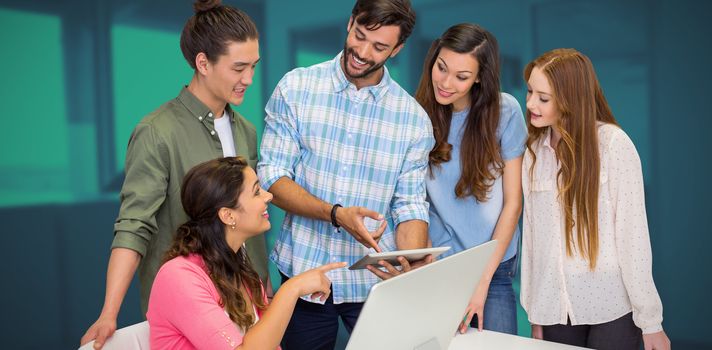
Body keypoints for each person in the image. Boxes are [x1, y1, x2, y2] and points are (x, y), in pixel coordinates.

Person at [80, 1, 270, 348]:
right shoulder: (157, 131)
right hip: (190, 308)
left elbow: (245, 217)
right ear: (202, 63)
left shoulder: (246, 131)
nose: (249, 79)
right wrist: (109, 312)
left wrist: (261, 289)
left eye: (254, 67)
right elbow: (134, 225)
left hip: (244, 300)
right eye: (239, 68)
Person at [257, 0, 434, 348]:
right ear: (351, 22)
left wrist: (410, 267)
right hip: (306, 273)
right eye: (359, 35)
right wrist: (336, 214)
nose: (363, 52)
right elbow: (272, 178)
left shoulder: (413, 120)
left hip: (375, 284)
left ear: (397, 49)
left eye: (379, 46)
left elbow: (410, 204)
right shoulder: (296, 88)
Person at [520, 48, 671, 350]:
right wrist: (535, 311)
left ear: (570, 99)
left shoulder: (614, 145)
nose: (530, 103)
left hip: (611, 305)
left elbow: (633, 237)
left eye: (543, 98)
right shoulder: (534, 153)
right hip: (554, 310)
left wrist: (651, 322)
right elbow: (533, 238)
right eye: (530, 92)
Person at [147, 157, 345, 349]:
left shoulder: (238, 270)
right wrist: (291, 289)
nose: (268, 196)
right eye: (257, 191)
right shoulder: (178, 277)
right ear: (228, 215)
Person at [413, 23, 526, 335]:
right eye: (442, 68)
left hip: (493, 267)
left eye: (461, 77)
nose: (446, 83)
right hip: (441, 265)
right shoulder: (417, 116)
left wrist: (481, 280)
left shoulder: (506, 112)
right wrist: (431, 262)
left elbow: (513, 204)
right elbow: (416, 200)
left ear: (479, 77)